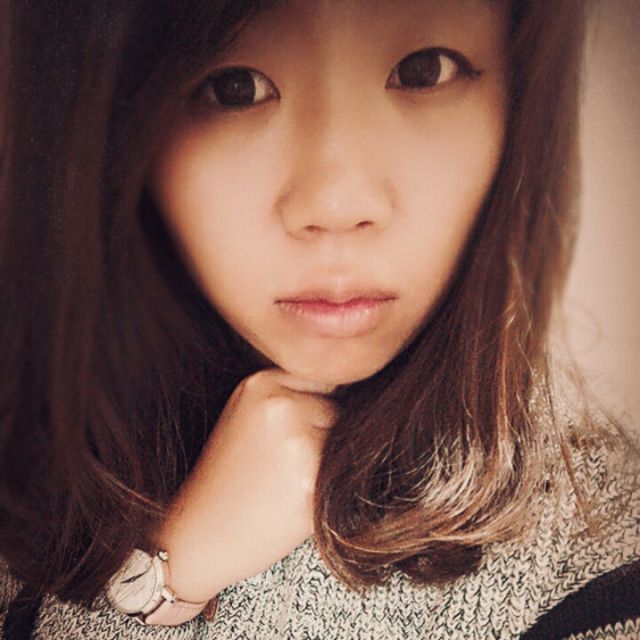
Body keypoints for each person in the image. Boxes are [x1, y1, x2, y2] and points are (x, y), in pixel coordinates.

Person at [0, 0, 638, 638]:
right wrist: (174, 564)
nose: (335, 204)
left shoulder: (601, 553)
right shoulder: (28, 458)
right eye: (235, 88)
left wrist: (157, 589)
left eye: (422, 70)